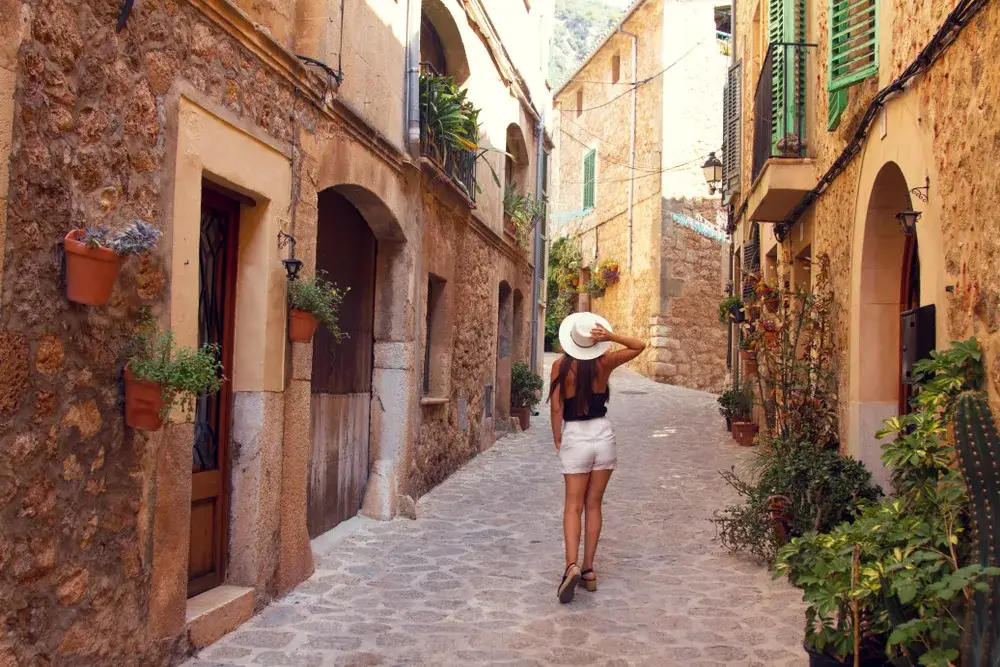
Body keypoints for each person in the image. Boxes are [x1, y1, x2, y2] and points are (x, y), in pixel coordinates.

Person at [549, 312, 646, 603]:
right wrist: (612, 337)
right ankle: (589, 570)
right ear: (595, 341)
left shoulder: (559, 366)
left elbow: (556, 409)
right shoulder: (605, 362)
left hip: (576, 436)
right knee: (594, 504)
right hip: (603, 436)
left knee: (572, 506)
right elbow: (639, 345)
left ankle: (571, 566)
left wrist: (557, 437)